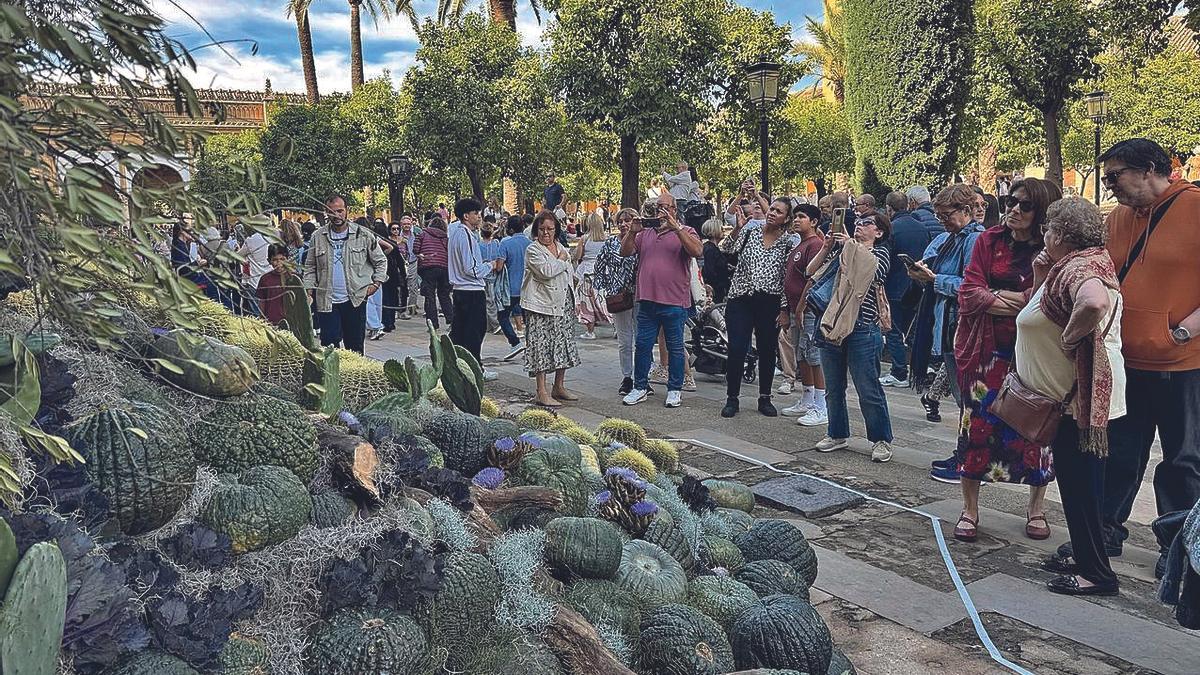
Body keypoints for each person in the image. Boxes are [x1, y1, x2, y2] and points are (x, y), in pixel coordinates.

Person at [1053, 138, 1200, 568]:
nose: (1109, 185)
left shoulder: (1195, 207)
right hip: (1125, 361)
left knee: (1183, 461)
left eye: (1115, 176)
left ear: (1150, 169)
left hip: (1183, 364)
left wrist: (1184, 333)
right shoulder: (1117, 218)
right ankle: (1104, 532)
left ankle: (1178, 548)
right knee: (1118, 451)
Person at [1013, 197, 1125, 596]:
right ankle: (1085, 556)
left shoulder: (1080, 268)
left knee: (1081, 489)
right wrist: (1042, 271)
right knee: (1080, 487)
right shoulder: (1078, 263)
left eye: (1047, 228)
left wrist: (1069, 336)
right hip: (1073, 400)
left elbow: (1093, 302)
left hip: (1074, 403)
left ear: (1058, 234)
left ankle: (1096, 574)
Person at [948, 177, 1060, 542]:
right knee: (976, 428)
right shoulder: (989, 240)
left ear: (1040, 210)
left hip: (1034, 356)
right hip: (986, 352)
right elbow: (969, 293)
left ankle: (1036, 508)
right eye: (1011, 201)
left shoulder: (1052, 250)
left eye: (1024, 205)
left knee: (1036, 431)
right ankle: (970, 509)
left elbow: (1048, 299)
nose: (1013, 209)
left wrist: (999, 297)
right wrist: (1020, 300)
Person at [806, 210, 895, 462]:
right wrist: (827, 247)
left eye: (867, 223)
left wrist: (850, 246)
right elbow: (812, 272)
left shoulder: (880, 253)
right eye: (857, 222)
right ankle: (836, 433)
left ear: (879, 232)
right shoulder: (844, 248)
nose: (859, 226)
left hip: (863, 327)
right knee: (833, 387)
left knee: (868, 387)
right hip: (832, 324)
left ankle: (881, 439)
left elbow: (871, 274)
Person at [908, 184, 986, 455]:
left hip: (961, 324)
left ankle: (968, 455)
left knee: (967, 398)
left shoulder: (974, 239)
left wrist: (935, 280)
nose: (942, 221)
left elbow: (973, 286)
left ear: (965, 210)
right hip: (949, 323)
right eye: (938, 215)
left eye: (945, 215)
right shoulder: (953, 237)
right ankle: (965, 453)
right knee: (962, 397)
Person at [620, 192, 703, 408]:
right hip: (647, 300)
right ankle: (640, 387)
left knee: (675, 347)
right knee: (643, 345)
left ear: (675, 209)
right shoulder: (646, 233)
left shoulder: (686, 231)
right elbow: (625, 252)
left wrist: (677, 229)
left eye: (666, 207)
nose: (661, 212)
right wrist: (631, 232)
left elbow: (697, 250)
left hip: (675, 301)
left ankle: (674, 389)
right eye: (658, 208)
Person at [718, 197, 794, 418]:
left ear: (786, 218)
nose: (772, 213)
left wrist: (783, 309)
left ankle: (765, 397)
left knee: (767, 349)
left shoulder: (788, 242)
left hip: (769, 301)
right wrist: (737, 229)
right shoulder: (751, 231)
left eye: (778, 212)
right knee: (737, 348)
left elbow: (785, 278)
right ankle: (732, 398)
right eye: (771, 209)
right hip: (741, 298)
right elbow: (727, 248)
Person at [302, 195, 388, 354]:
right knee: (329, 347)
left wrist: (376, 284)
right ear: (326, 213)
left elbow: (381, 261)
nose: (337, 215)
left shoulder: (363, 234)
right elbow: (310, 266)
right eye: (332, 212)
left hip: (355, 300)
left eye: (340, 211)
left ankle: (354, 378)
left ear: (346, 211)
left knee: (354, 348)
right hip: (327, 301)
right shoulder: (317, 237)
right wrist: (308, 289)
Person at [521, 211, 582, 407]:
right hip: (541, 305)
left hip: (563, 302)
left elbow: (568, 272)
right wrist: (562, 260)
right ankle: (541, 391)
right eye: (542, 229)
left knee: (562, 343)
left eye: (550, 229)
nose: (546, 233)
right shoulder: (533, 249)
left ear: (556, 230)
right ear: (536, 230)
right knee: (541, 347)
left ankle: (559, 386)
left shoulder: (561, 247)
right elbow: (547, 272)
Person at [780, 204, 829, 424]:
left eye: (802, 217)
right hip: (794, 310)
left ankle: (821, 404)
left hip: (809, 310)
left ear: (814, 221)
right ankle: (807, 398)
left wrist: (801, 306)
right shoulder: (799, 245)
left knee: (813, 356)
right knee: (801, 355)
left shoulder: (816, 244)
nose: (796, 220)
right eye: (795, 216)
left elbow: (813, 278)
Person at [879, 191, 934, 388]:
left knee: (893, 330)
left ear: (888, 208)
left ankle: (899, 371)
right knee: (913, 330)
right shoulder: (921, 226)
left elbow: (884, 258)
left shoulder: (892, 229)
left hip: (894, 285)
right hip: (917, 284)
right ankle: (920, 368)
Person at [447, 198, 503, 367]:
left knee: (461, 332)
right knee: (474, 332)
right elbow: (471, 268)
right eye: (476, 214)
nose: (479, 217)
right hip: (470, 290)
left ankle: (458, 365)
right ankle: (474, 367)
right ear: (466, 216)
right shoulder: (465, 235)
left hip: (461, 290)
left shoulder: (457, 233)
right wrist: (490, 266)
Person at [594, 208, 641, 395]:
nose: (623, 224)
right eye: (620, 221)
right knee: (624, 339)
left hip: (639, 294)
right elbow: (599, 266)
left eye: (627, 220)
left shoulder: (642, 241)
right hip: (619, 296)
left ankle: (641, 375)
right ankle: (627, 376)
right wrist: (605, 288)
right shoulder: (610, 243)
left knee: (641, 338)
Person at [497, 215, 532, 361]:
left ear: (510, 229)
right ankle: (531, 347)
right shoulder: (531, 244)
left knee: (503, 316)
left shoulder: (506, 244)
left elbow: (499, 267)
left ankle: (515, 342)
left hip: (510, 288)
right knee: (529, 319)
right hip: (528, 288)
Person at [573, 211, 611, 340]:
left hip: (587, 272)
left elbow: (578, 256)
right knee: (605, 301)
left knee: (587, 302)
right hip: (603, 271)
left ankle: (590, 331)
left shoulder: (585, 238)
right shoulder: (607, 238)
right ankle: (616, 326)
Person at [415, 217, 453, 329]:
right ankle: (451, 320)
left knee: (429, 296)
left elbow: (416, 248)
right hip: (444, 267)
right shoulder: (445, 237)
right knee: (444, 295)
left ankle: (433, 324)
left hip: (428, 266)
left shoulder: (423, 234)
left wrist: (420, 253)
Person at [256, 243, 292, 326]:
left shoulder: (294, 279)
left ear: (287, 259)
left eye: (282, 259)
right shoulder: (265, 279)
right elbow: (262, 302)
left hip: (291, 324)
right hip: (271, 323)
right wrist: (262, 320)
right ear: (269, 261)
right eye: (275, 260)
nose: (279, 263)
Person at [381, 221, 408, 332]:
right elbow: (400, 262)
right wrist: (403, 274)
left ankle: (387, 322)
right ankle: (390, 322)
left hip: (388, 274)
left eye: (397, 229)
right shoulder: (391, 244)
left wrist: (403, 274)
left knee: (387, 299)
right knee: (390, 298)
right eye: (393, 229)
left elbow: (401, 261)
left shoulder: (385, 244)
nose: (396, 231)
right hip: (392, 274)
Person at [699, 218, 731, 304]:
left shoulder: (711, 248)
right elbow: (709, 271)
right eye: (721, 229)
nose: (723, 231)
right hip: (715, 290)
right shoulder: (710, 250)